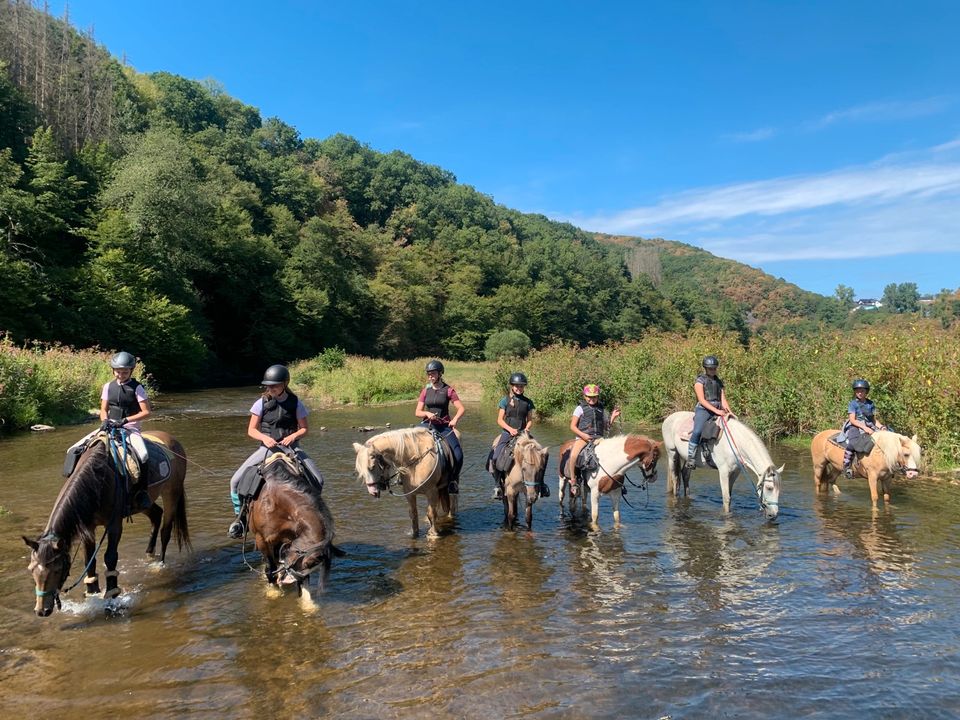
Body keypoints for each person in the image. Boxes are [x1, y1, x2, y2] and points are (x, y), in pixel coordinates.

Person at [228, 364, 324, 538]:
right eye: (268, 385)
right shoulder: (260, 403)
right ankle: (240, 520)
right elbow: (251, 430)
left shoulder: (296, 403)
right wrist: (264, 438)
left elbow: (304, 429)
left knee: (318, 479)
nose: (270, 388)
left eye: (274, 385)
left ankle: (314, 515)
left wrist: (293, 437)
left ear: (285, 384)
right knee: (235, 481)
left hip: (291, 448)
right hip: (267, 448)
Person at [100, 351, 152, 508]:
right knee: (77, 448)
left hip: (130, 429)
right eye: (118, 371)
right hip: (110, 427)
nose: (121, 375)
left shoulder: (137, 388)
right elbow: (103, 409)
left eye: (125, 372)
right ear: (113, 370)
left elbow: (146, 412)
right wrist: (105, 421)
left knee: (143, 455)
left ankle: (142, 491)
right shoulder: (108, 387)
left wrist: (124, 420)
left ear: (131, 371)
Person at [415, 359, 465, 493]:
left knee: (458, 455)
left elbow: (461, 409)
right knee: (411, 444)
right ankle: (406, 476)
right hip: (427, 425)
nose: (430, 376)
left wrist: (454, 420)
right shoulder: (425, 391)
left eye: (433, 373)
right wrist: (427, 413)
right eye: (429, 374)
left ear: (440, 374)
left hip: (443, 427)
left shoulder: (449, 390)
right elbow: (417, 412)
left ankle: (453, 481)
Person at [490, 372, 536, 500]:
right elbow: (500, 420)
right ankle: (497, 485)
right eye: (516, 386)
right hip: (507, 433)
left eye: (521, 386)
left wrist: (527, 428)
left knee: (538, 455)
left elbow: (530, 419)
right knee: (495, 457)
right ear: (512, 386)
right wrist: (510, 429)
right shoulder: (505, 400)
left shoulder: (528, 402)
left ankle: (540, 485)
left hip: (523, 434)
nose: (519, 388)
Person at [687, 355, 733, 468]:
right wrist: (716, 411)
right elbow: (702, 400)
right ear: (706, 368)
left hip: (717, 408)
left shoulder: (718, 382)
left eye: (714, 368)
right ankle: (690, 458)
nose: (713, 370)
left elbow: (723, 399)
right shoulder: (700, 381)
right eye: (710, 368)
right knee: (697, 431)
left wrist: (729, 412)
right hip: (704, 409)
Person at [568, 384, 620, 482]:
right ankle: (573, 479)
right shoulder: (579, 408)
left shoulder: (601, 408)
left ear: (597, 396)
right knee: (573, 455)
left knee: (612, 453)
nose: (592, 399)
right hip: (583, 438)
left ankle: (613, 479)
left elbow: (606, 427)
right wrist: (583, 435)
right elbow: (572, 426)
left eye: (594, 396)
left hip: (599, 438)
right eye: (589, 396)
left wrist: (613, 417)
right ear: (585, 396)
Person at [842, 378, 886, 478]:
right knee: (852, 444)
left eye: (862, 391)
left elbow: (874, 420)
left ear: (866, 392)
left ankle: (889, 466)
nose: (859, 393)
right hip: (856, 426)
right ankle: (847, 467)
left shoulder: (870, 404)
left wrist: (882, 427)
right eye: (857, 391)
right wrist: (864, 428)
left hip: (870, 425)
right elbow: (852, 420)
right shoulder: (853, 404)